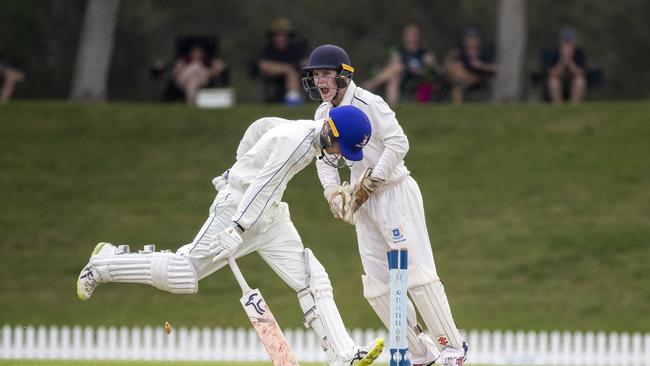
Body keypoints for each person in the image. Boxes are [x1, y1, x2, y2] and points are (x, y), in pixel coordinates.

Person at [76, 106, 385, 366]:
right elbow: (261, 185)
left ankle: (343, 354)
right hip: (239, 207)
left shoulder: (305, 130)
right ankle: (105, 262)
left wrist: (236, 165)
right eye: (340, 147)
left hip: (269, 213)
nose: (338, 155)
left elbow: (261, 128)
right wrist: (237, 226)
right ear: (331, 131)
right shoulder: (298, 143)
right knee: (183, 275)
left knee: (311, 277)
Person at [301, 45, 468, 366]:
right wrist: (333, 191)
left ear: (343, 75)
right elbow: (324, 158)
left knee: (416, 275)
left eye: (325, 74)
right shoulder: (322, 114)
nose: (320, 81)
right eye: (315, 75)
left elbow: (399, 143)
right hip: (363, 202)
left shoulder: (369, 103)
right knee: (377, 287)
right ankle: (421, 354)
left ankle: (453, 348)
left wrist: (374, 180)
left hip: (394, 193)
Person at [363, 24, 439, 106]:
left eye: (413, 34)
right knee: (394, 76)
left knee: (397, 68)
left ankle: (372, 83)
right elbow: (393, 64)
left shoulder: (423, 52)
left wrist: (427, 66)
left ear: (418, 36)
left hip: (419, 78)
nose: (411, 37)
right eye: (409, 34)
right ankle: (393, 107)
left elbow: (432, 68)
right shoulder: (400, 52)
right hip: (403, 78)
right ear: (404, 36)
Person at [257, 18, 308, 105]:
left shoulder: (297, 47)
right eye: (277, 35)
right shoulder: (269, 48)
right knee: (289, 70)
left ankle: (293, 98)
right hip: (274, 75)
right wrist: (285, 68)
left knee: (292, 73)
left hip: (295, 76)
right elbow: (262, 64)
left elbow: (305, 62)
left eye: (283, 35)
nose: (280, 38)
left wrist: (292, 69)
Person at [444, 28, 496, 104]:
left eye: (473, 39)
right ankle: (457, 106)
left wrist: (480, 65)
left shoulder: (484, 52)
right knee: (457, 71)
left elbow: (495, 68)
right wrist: (450, 57)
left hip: (478, 78)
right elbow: (447, 65)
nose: (471, 42)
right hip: (458, 77)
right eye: (469, 39)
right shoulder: (460, 51)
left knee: (459, 80)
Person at [543, 27, 587, 104]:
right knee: (553, 81)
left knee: (580, 81)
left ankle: (573, 106)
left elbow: (581, 74)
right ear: (561, 41)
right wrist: (563, 60)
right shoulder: (553, 53)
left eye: (569, 41)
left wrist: (569, 61)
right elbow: (552, 74)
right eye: (565, 41)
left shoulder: (580, 53)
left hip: (572, 83)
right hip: (559, 82)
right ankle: (558, 107)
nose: (567, 44)